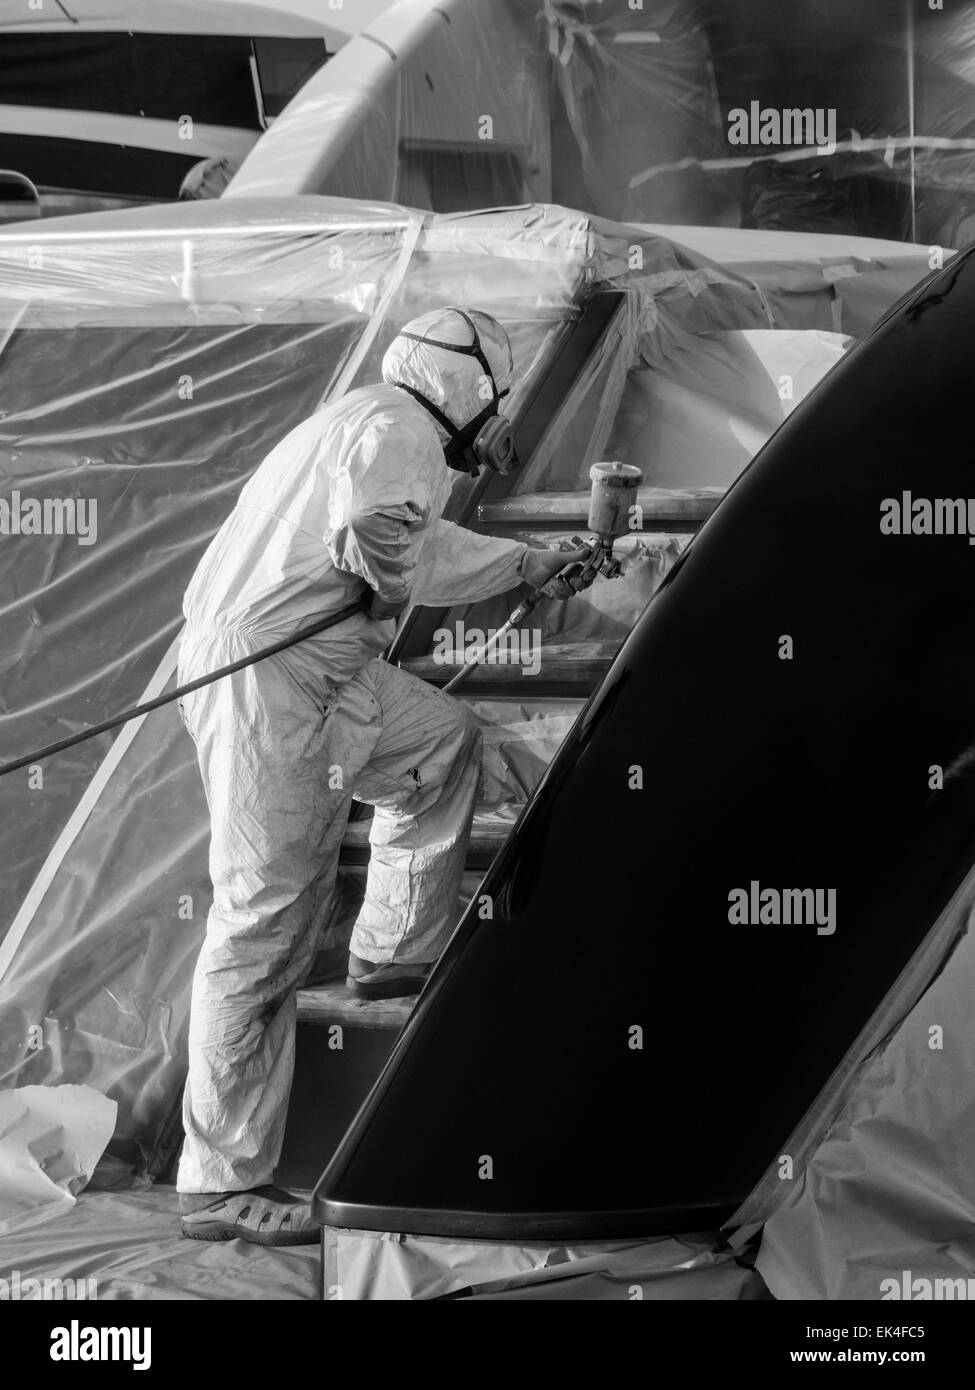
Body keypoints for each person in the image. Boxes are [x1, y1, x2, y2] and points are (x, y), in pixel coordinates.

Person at [176, 307, 587, 1244]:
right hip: (273, 675)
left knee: (440, 742)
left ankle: (390, 950)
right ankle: (216, 1182)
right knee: (264, 917)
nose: (498, 418)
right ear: (470, 387)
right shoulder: (399, 426)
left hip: (325, 666)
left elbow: (402, 538)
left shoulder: (365, 419)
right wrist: (498, 564)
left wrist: (525, 561)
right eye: (496, 399)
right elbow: (379, 534)